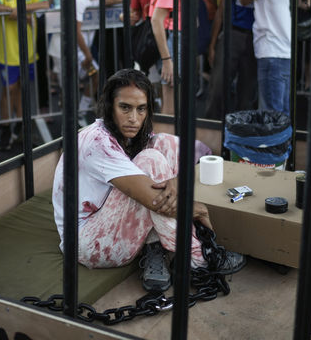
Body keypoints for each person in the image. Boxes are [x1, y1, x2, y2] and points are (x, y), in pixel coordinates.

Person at [52, 68, 246, 290]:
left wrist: (176, 179)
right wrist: (199, 210)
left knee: (163, 144)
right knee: (151, 161)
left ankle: (153, 247)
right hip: (87, 242)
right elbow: (155, 200)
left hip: (111, 217)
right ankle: (197, 258)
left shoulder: (128, 134)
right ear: (109, 107)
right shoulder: (97, 143)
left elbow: (202, 153)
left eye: (141, 109)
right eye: (125, 108)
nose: (134, 118)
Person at [0, 0, 49, 151]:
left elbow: (44, 3)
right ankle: (7, 129)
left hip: (29, 51)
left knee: (23, 89)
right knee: (9, 90)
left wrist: (19, 9)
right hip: (7, 51)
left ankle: (23, 129)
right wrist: (13, 11)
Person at [205, 0, 257, 119]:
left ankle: (242, 136)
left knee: (247, 93)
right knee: (218, 89)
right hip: (232, 34)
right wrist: (213, 45)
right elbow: (221, 12)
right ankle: (211, 133)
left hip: (256, 36)